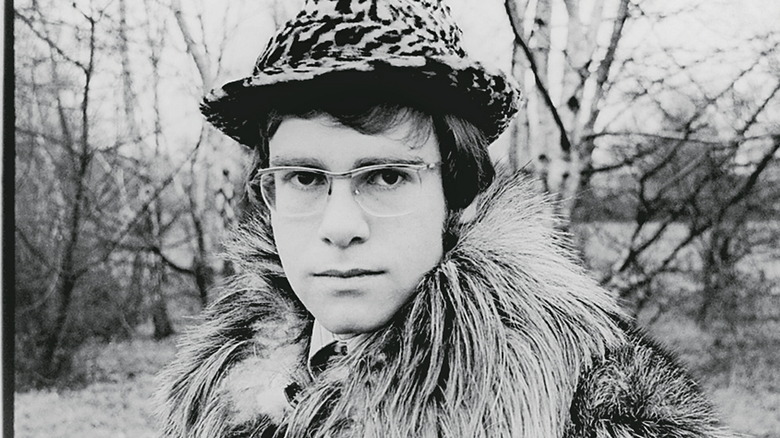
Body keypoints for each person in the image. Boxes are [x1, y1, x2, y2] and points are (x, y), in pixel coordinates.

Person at [156, 1, 735, 437]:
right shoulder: (220, 389)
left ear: (456, 195)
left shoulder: (596, 405)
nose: (339, 225)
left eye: (386, 177)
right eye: (305, 178)